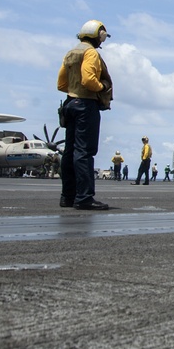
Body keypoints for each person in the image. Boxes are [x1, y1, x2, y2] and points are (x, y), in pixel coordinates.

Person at [57, 19, 113, 210]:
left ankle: (67, 197)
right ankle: (84, 198)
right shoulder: (91, 53)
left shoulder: (71, 53)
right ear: (99, 35)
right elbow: (89, 79)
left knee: (69, 152)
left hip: (70, 103)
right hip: (85, 105)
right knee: (84, 152)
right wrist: (101, 87)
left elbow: (61, 85)